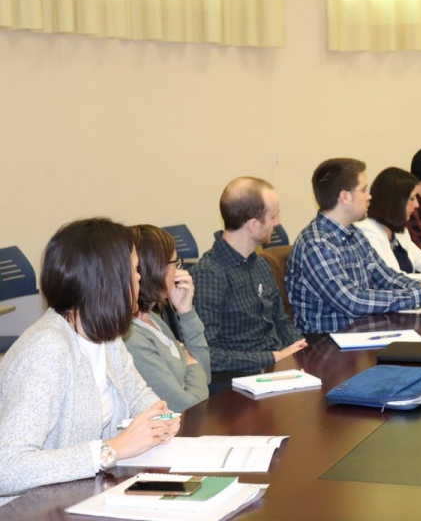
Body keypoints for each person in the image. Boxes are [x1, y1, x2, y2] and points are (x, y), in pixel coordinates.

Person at [0, 218, 179, 506]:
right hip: (30, 509)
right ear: (108, 280)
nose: (139, 279)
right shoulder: (47, 350)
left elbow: (140, 397)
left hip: (82, 496)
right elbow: (6, 468)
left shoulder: (106, 335)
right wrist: (111, 450)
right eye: (134, 270)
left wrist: (157, 419)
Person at [287, 158, 421, 334]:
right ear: (345, 197)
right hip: (329, 344)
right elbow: (352, 301)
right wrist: (420, 295)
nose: (369, 196)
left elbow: (385, 277)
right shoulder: (317, 243)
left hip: (363, 333)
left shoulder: (355, 233)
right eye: (364, 190)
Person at [192, 177, 307, 373]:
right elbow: (208, 354)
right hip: (242, 378)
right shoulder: (209, 273)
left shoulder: (260, 263)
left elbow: (280, 319)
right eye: (273, 216)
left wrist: (299, 348)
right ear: (253, 225)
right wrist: (274, 357)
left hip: (275, 366)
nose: (277, 223)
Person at [125, 225, 210, 413]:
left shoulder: (154, 319)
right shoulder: (132, 337)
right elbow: (187, 406)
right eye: (175, 263)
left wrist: (186, 311)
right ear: (158, 270)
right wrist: (191, 362)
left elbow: (206, 374)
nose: (179, 270)